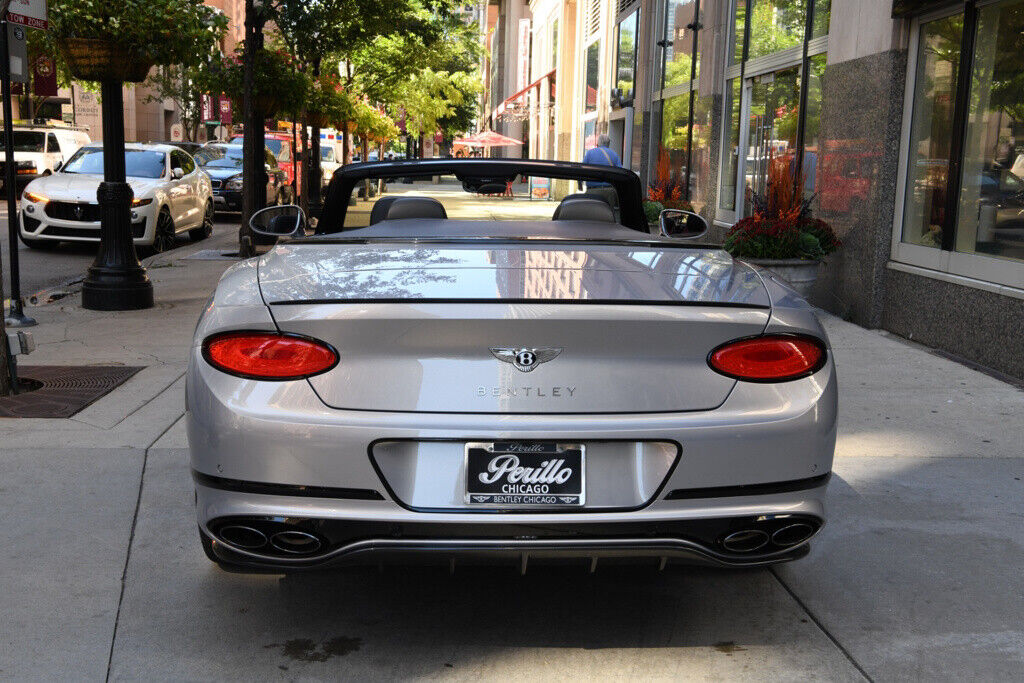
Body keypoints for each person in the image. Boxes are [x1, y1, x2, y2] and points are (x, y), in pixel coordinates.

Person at [580, 133, 621, 214]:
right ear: (608, 144)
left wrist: (580, 184)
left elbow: (582, 170)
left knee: (591, 215)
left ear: (597, 143)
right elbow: (620, 172)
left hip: (593, 191)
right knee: (607, 215)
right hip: (609, 191)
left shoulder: (589, 153)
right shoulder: (614, 155)